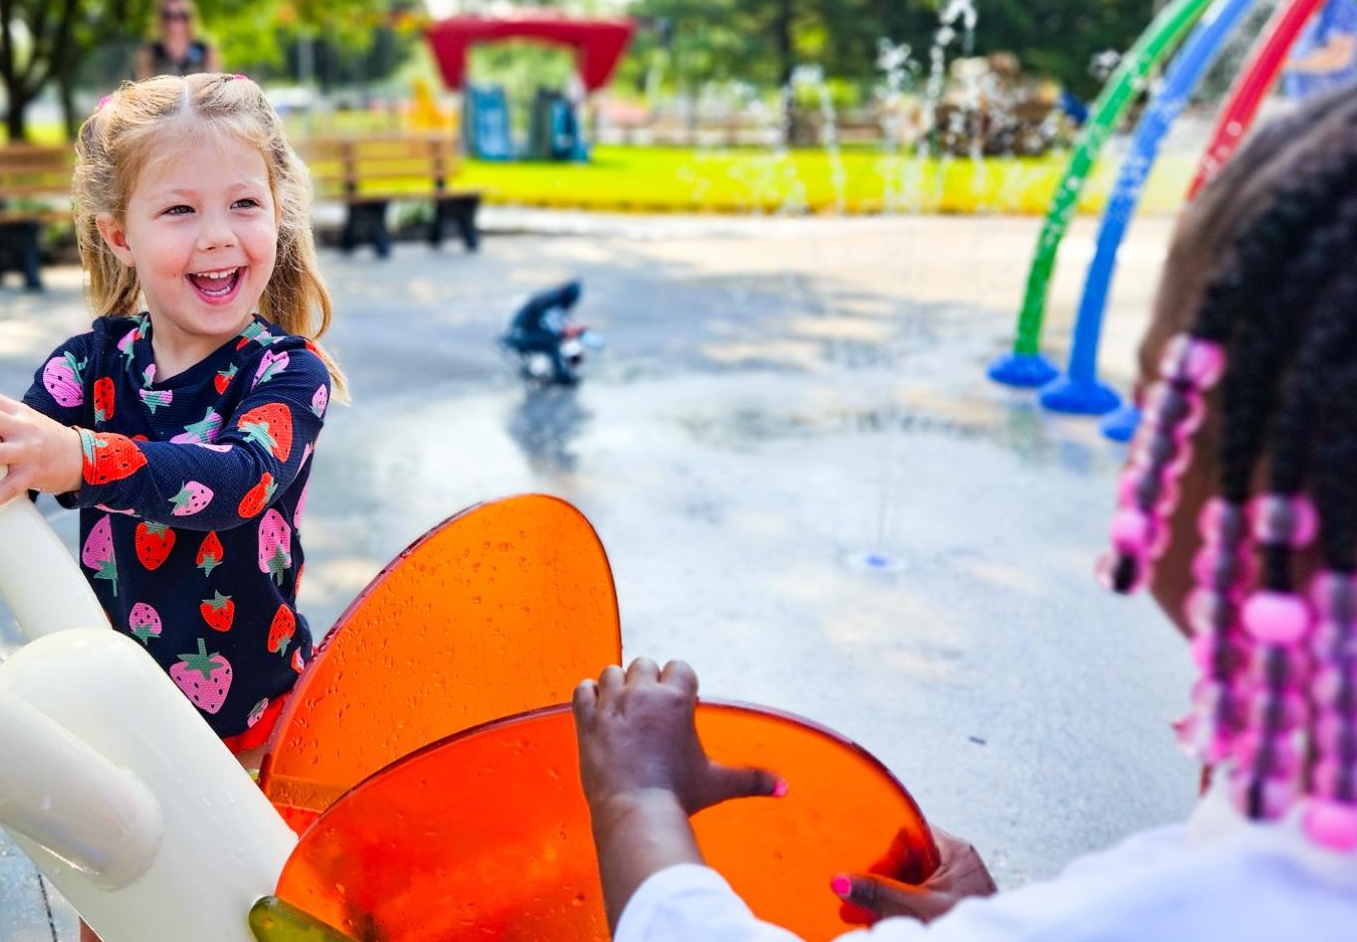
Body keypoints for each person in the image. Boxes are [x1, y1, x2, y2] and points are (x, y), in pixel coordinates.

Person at [575, 84, 1357, 940]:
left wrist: (636, 797)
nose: (1131, 447)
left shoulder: (1245, 900)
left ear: (1272, 499)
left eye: (1158, 404)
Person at [0, 73, 344, 773]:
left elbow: (240, 480)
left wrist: (80, 459)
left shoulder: (287, 373)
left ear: (277, 214)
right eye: (179, 210)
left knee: (249, 883)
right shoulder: (89, 366)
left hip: (255, 728)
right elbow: (14, 463)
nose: (217, 236)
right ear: (119, 235)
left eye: (244, 203)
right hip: (119, 716)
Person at [1282, 0, 1357, 102]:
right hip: (1305, 104)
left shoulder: (1339, 5)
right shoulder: (1304, 4)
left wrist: (1289, 63)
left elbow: (1339, 58)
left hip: (1331, 106)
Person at [507, 279, 586, 386]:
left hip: (523, 332)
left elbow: (558, 322)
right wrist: (567, 332)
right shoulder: (551, 301)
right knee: (553, 344)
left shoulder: (555, 299)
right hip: (521, 335)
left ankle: (558, 373)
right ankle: (562, 376)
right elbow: (552, 326)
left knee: (557, 341)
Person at [135, 0, 220, 80]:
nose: (175, 21)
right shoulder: (149, 53)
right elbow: (142, 86)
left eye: (182, 15)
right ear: (160, 18)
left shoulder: (205, 50)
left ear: (190, 18)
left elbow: (215, 84)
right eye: (168, 15)